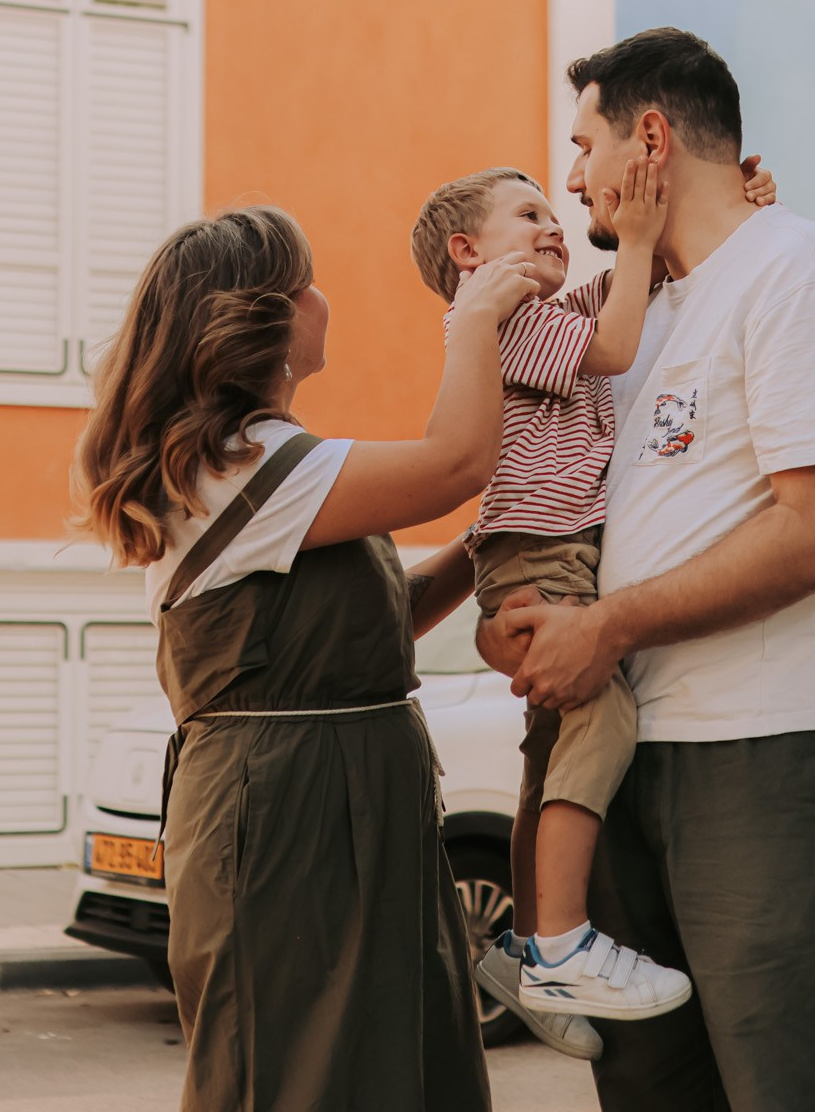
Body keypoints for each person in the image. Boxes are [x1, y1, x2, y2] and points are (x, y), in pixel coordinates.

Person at [479, 28, 815, 1112]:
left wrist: (606, 627)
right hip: (626, 761)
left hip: (768, 750)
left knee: (793, 1086)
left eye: (583, 145)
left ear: (649, 138)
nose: (570, 178)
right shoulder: (638, 311)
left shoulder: (800, 269)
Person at [73, 204, 538, 1112]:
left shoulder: (276, 466)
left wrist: (504, 535)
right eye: (309, 280)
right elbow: (454, 462)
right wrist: (476, 315)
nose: (326, 297)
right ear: (271, 317)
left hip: (352, 800)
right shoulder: (237, 468)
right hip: (287, 815)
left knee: (395, 1071)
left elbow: (377, 623)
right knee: (294, 1077)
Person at [405, 157, 774, 1058]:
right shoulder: (502, 319)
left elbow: (637, 289)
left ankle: (527, 950)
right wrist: (644, 238)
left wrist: (716, 211)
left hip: (540, 551)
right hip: (543, 552)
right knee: (601, 718)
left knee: (552, 748)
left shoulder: (549, 314)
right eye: (527, 215)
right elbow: (614, 345)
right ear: (467, 251)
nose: (552, 226)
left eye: (552, 218)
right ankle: (564, 942)